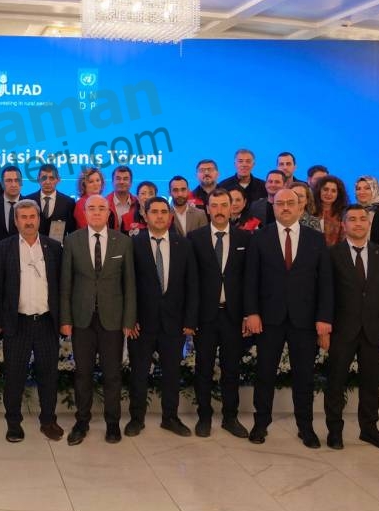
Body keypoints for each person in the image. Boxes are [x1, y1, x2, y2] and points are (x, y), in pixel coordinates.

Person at [243, 188, 333, 448]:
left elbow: (325, 282)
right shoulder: (260, 237)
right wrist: (252, 313)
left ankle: (306, 427)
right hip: (268, 319)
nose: (284, 207)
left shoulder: (316, 239)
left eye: (290, 203)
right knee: (264, 374)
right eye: (279, 203)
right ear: (273, 207)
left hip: (304, 320)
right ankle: (261, 424)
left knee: (304, 377)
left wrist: (324, 318)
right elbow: (250, 279)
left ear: (300, 207)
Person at [322, 205, 379, 450]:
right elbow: (325, 294)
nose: (358, 223)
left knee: (371, 384)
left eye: (362, 219)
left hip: (374, 331)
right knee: (335, 382)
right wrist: (324, 329)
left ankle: (369, 430)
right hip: (341, 330)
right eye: (352, 219)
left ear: (369, 224)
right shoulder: (332, 254)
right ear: (343, 225)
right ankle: (335, 431)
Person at [61, 195, 137, 445]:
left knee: (112, 375)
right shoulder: (72, 240)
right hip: (81, 320)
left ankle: (112, 423)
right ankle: (81, 422)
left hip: (112, 320)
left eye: (101, 208)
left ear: (109, 213)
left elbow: (129, 285)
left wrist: (129, 320)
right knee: (83, 374)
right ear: (84, 212)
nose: (96, 212)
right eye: (91, 208)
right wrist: (66, 318)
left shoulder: (123, 242)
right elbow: (66, 284)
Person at [0, 199, 64, 442]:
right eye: (23, 217)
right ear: (16, 221)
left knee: (48, 375)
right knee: (14, 376)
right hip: (17, 323)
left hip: (46, 322)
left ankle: (48, 420)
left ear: (39, 219)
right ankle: (13, 423)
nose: (28, 221)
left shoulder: (53, 247)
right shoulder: (3, 248)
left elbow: (61, 286)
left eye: (32, 216)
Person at [127, 196, 197, 437]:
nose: (159, 216)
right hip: (141, 324)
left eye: (163, 212)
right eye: (154, 212)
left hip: (174, 323)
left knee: (171, 374)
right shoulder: (133, 244)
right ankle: (136, 418)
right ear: (145, 215)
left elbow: (192, 285)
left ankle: (170, 417)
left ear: (170, 216)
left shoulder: (183, 244)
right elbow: (127, 285)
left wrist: (189, 320)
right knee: (139, 373)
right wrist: (130, 318)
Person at [188, 189, 250, 438]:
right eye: (214, 205)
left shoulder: (245, 238)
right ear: (207, 209)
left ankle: (230, 418)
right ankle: (204, 417)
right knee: (203, 369)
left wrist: (248, 314)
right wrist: (191, 317)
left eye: (224, 205)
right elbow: (191, 281)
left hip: (233, 316)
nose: (220, 210)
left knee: (231, 370)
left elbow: (249, 279)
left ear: (232, 207)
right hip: (205, 316)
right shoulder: (195, 238)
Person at [26, 163, 74, 238]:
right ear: (38, 179)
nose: (47, 182)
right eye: (44, 178)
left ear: (58, 180)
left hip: (59, 245)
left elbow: (72, 232)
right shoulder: (28, 201)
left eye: (51, 178)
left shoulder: (68, 202)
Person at [73, 167, 117, 231]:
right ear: (84, 185)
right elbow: (89, 230)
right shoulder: (81, 204)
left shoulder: (106, 202)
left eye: (98, 180)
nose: (95, 184)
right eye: (91, 182)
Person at [0, 165, 24, 240]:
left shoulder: (30, 206)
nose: (13, 185)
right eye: (9, 180)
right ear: (2, 183)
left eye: (17, 180)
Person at [313, 175, 348, 247]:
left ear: (338, 194)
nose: (329, 194)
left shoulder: (343, 214)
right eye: (325, 189)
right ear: (319, 191)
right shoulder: (310, 211)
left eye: (333, 191)